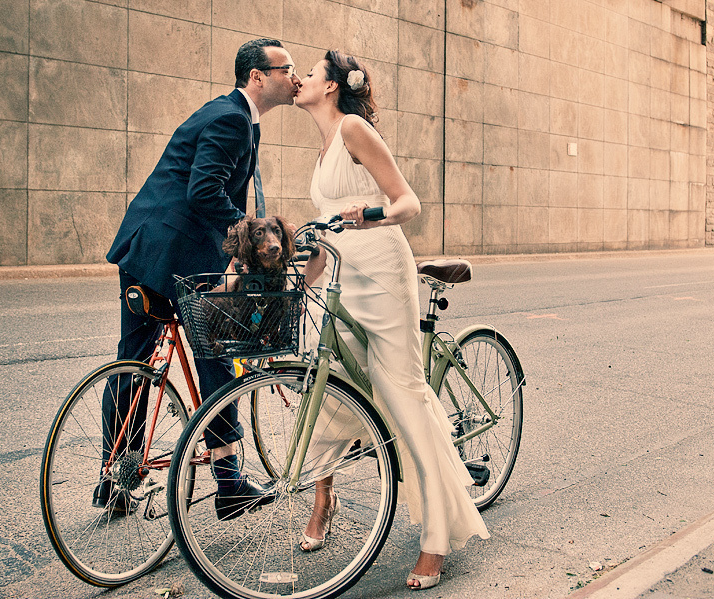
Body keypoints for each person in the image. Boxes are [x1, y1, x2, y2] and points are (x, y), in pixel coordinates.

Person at [295, 50, 489, 591]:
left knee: (403, 397)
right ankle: (324, 499)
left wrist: (371, 214)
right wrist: (297, 281)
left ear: (331, 87)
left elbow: (408, 202)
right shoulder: (322, 148)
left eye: (310, 73)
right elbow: (326, 230)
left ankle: (436, 538)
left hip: (381, 272)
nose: (301, 79)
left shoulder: (353, 129)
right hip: (341, 280)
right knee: (327, 388)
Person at [102, 38, 301, 520]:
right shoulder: (232, 119)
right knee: (217, 348)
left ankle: (116, 477)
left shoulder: (232, 116)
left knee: (133, 360)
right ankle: (229, 482)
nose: (295, 77)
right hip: (176, 250)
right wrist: (252, 234)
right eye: (287, 68)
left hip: (147, 248)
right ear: (257, 77)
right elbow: (205, 190)